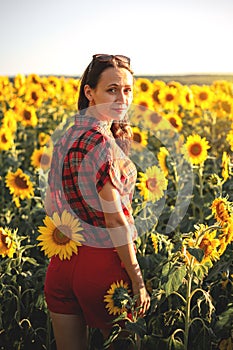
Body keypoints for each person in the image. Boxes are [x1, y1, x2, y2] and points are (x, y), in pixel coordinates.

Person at [44, 54, 150, 350]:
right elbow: (115, 219)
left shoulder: (66, 137)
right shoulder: (101, 144)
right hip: (102, 267)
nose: (122, 98)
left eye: (127, 90)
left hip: (62, 263)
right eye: (112, 89)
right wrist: (137, 277)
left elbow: (52, 205)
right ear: (89, 92)